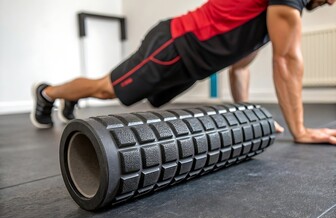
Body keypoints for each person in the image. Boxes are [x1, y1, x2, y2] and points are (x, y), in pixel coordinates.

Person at [30, 0, 336, 145]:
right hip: (175, 44)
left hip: (191, 62)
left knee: (140, 98)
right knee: (106, 89)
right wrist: (301, 130)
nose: (332, 2)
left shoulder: (272, 13)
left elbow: (241, 66)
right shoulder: (287, 3)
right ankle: (48, 92)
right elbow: (286, 61)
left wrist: (246, 116)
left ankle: (67, 101)